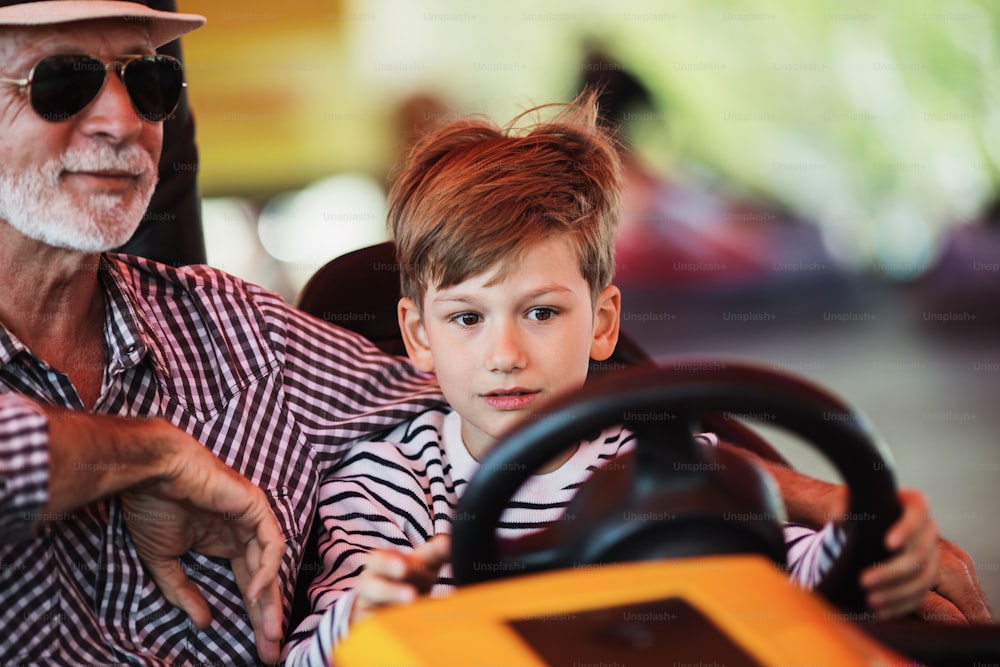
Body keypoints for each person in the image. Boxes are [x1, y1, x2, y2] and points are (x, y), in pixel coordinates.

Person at [282, 94, 943, 665]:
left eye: (541, 312)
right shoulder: (388, 484)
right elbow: (310, 652)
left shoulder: (655, 461)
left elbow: (778, 576)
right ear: (420, 334)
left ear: (602, 322)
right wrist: (369, 613)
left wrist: (875, 540)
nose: (505, 352)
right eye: (466, 318)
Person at [0, 2, 445, 665]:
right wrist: (150, 453)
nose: (125, 121)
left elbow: (479, 406)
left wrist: (356, 577)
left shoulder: (241, 330)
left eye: (148, 81)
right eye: (62, 81)